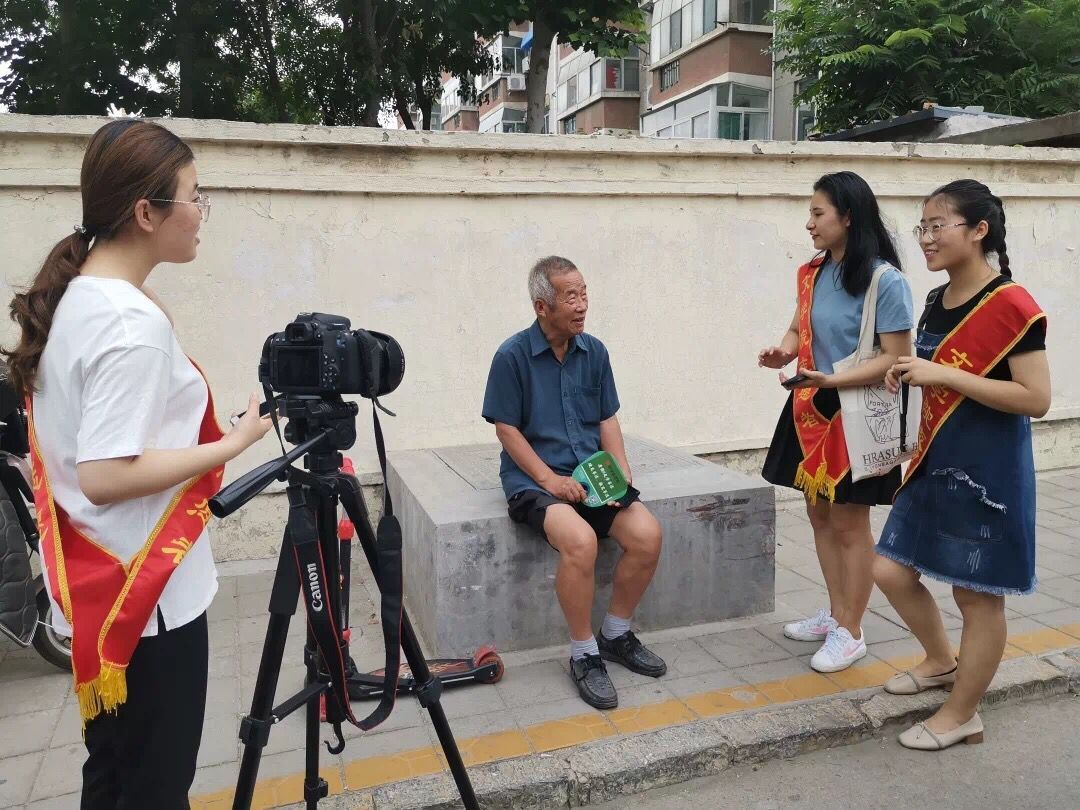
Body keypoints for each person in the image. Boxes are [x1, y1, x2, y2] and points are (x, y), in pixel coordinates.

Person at [2, 119, 272, 808]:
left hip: (99, 585)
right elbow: (104, 475)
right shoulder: (129, 325)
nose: (202, 211)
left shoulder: (81, 296)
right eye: (194, 196)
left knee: (114, 775)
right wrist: (233, 444)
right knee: (154, 788)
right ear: (146, 213)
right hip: (147, 602)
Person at [873, 180, 1050, 750]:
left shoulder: (1012, 305)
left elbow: (1036, 399)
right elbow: (934, 372)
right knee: (890, 570)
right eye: (922, 227)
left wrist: (946, 375)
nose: (925, 238)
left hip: (987, 474)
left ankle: (962, 713)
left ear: (978, 230)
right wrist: (906, 371)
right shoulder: (935, 298)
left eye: (937, 225)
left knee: (976, 596)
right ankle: (940, 661)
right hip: (934, 460)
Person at [482, 256, 666, 709]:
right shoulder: (511, 357)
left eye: (584, 294)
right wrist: (550, 480)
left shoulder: (594, 352)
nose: (582, 305)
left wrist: (621, 470)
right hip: (535, 481)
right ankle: (584, 653)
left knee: (647, 535)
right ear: (542, 307)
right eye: (570, 297)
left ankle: (615, 635)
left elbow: (607, 418)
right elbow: (506, 429)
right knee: (581, 541)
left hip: (592, 473)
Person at [759, 171, 914, 673]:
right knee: (819, 516)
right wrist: (783, 351)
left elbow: (897, 358)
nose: (809, 223)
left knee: (849, 524)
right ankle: (836, 613)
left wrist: (831, 380)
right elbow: (797, 326)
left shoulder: (884, 281)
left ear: (848, 217)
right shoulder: (813, 271)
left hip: (853, 415)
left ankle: (852, 630)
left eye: (817, 213)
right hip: (810, 409)